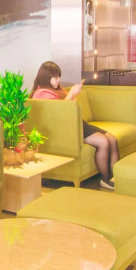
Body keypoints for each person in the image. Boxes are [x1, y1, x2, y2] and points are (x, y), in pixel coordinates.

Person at [31, 61, 119, 190]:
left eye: (58, 77)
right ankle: (105, 179)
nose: (58, 80)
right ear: (46, 77)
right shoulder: (41, 93)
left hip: (76, 123)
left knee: (113, 139)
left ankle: (115, 178)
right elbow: (59, 112)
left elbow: (73, 107)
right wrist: (71, 94)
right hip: (67, 129)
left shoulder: (57, 89)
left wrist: (73, 95)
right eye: (55, 77)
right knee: (103, 142)